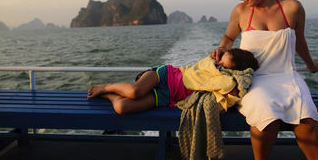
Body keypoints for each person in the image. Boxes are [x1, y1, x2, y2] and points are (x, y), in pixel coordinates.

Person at [210, 0, 318, 160]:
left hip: (286, 76)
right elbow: (228, 37)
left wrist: (310, 64)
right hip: (254, 79)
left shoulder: (293, 8)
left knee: (308, 122)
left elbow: (299, 42)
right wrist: (222, 49)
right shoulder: (240, 12)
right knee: (266, 120)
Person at [88, 48, 259, 114]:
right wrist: (218, 59)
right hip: (167, 75)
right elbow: (206, 69)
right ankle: (105, 87)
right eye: (222, 59)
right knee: (135, 91)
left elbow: (229, 92)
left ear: (234, 71)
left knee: (121, 107)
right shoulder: (211, 63)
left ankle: (109, 94)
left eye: (224, 64)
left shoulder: (227, 81)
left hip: (167, 96)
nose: (219, 63)